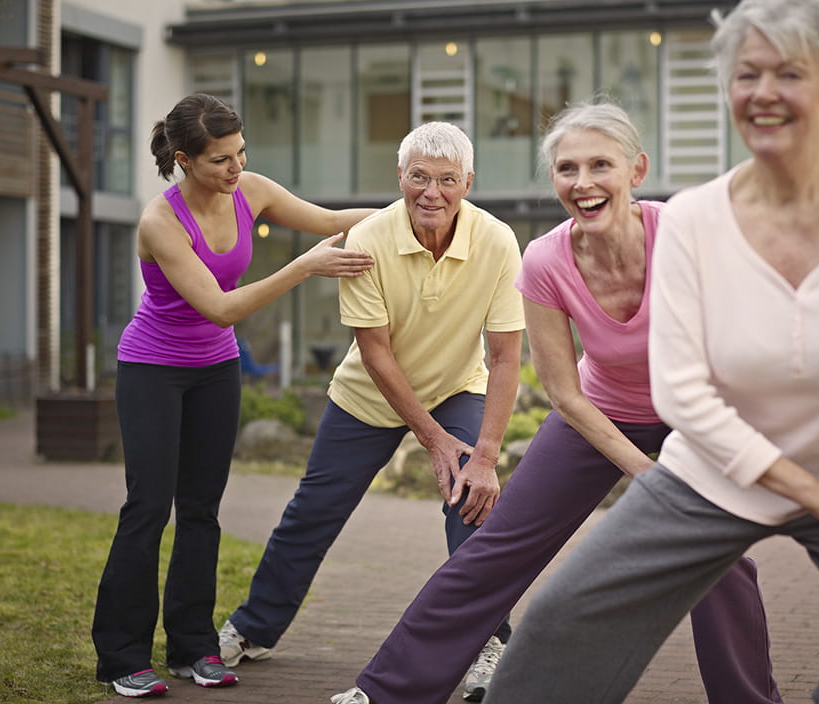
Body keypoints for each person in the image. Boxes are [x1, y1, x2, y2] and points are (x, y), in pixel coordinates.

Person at [483, 1, 819, 703]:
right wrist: (811, 496)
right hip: (713, 469)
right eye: (747, 74)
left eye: (789, 73)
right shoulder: (696, 218)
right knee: (560, 622)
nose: (763, 92)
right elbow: (680, 392)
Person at [331, 102, 783, 704]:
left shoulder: (685, 237)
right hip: (596, 409)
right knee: (495, 545)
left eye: (601, 165)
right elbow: (564, 394)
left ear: (636, 171)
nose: (584, 182)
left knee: (720, 552)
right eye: (567, 168)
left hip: (692, 410)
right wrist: (644, 473)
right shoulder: (545, 259)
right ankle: (386, 692)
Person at [218, 121, 525, 697]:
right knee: (312, 513)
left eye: (447, 180)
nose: (431, 192)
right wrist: (434, 441)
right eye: (418, 177)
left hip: (459, 386)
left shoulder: (498, 241)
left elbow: (507, 356)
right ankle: (253, 627)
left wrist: (483, 455)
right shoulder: (368, 238)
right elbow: (376, 354)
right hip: (368, 394)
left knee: (472, 505)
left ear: (468, 183)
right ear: (400, 177)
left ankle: (490, 642)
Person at [91, 93, 376, 699]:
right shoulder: (159, 223)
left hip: (215, 371)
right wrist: (302, 269)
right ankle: (121, 654)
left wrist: (419, 210)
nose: (236, 168)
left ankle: (193, 646)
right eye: (221, 159)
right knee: (148, 509)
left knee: (202, 509)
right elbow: (221, 308)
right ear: (183, 160)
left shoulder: (251, 191)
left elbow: (331, 221)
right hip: (152, 369)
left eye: (241, 153)